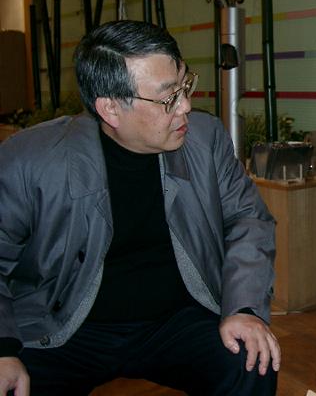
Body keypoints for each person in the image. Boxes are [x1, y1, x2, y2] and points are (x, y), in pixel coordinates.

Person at [0, 20, 279, 396]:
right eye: (168, 98)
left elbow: (248, 219)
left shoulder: (206, 139)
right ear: (110, 109)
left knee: (251, 360)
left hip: (175, 321)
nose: (186, 107)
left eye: (184, 86)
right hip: (63, 322)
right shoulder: (31, 160)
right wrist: (2, 348)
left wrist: (243, 309)